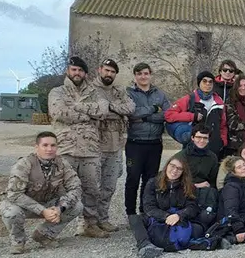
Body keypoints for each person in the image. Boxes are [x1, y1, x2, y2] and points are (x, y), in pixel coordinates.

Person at [48, 56, 109, 238]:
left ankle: (89, 225)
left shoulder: (95, 93)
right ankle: (50, 229)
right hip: (66, 147)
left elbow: (103, 111)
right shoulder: (57, 92)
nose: (77, 73)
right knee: (62, 190)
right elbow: (59, 112)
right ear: (68, 71)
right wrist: (88, 115)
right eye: (74, 69)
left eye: (80, 70)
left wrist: (76, 106)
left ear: (85, 74)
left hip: (90, 149)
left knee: (92, 189)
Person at [0, 132, 83, 254]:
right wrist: (42, 211)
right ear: (37, 147)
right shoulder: (24, 164)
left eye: (53, 145)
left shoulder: (62, 164)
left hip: (48, 204)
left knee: (77, 206)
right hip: (24, 205)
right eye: (45, 145)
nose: (49, 149)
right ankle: (18, 241)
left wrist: (60, 208)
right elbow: (14, 194)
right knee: (11, 212)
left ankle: (44, 235)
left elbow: (76, 187)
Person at [90, 59, 136, 233]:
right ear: (100, 70)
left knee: (109, 186)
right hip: (94, 145)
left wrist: (109, 107)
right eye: (107, 70)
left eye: (112, 72)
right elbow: (92, 112)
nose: (109, 74)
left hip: (115, 145)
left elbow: (130, 108)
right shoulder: (90, 90)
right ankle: (87, 222)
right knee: (92, 186)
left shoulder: (119, 90)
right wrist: (115, 111)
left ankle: (103, 219)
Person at [129, 156, 203, 258]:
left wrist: (179, 215)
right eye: (172, 166)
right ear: (167, 166)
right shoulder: (153, 183)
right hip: (158, 218)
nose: (175, 170)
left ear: (183, 172)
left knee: (200, 226)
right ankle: (145, 245)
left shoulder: (188, 186)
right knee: (135, 218)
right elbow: (149, 207)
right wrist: (166, 216)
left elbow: (193, 207)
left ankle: (179, 242)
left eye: (179, 169)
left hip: (179, 219)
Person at [125, 62, 170, 217]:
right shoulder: (129, 94)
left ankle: (145, 211)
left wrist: (145, 118)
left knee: (150, 180)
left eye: (145, 73)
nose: (143, 77)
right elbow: (132, 113)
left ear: (150, 75)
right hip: (135, 143)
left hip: (155, 144)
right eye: (139, 74)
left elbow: (167, 114)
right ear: (135, 76)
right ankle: (131, 213)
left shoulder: (160, 94)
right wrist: (154, 109)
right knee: (133, 179)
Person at [165, 71, 227, 156]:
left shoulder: (219, 101)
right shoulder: (189, 99)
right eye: (204, 81)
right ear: (199, 83)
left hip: (213, 147)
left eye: (210, 82)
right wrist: (192, 116)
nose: (207, 84)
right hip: (192, 146)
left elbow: (223, 125)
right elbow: (169, 115)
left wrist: (223, 142)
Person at [173, 125, 219, 189]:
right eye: (198, 137)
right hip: (183, 189)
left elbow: (213, 181)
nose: (202, 141)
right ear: (192, 138)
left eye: (205, 138)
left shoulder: (212, 157)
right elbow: (173, 180)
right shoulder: (181, 156)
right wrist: (195, 186)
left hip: (205, 189)